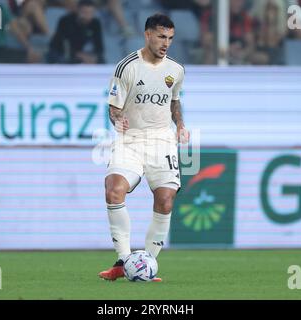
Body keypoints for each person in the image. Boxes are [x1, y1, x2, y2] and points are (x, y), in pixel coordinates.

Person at [98, 13, 189, 282]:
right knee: (114, 191)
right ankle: (123, 260)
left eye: (170, 38)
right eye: (161, 36)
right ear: (147, 34)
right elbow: (113, 107)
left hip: (162, 141)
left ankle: (147, 264)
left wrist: (180, 124)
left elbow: (174, 101)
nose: (166, 43)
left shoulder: (176, 70)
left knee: (165, 200)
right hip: (131, 139)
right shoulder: (126, 67)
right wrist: (118, 118)